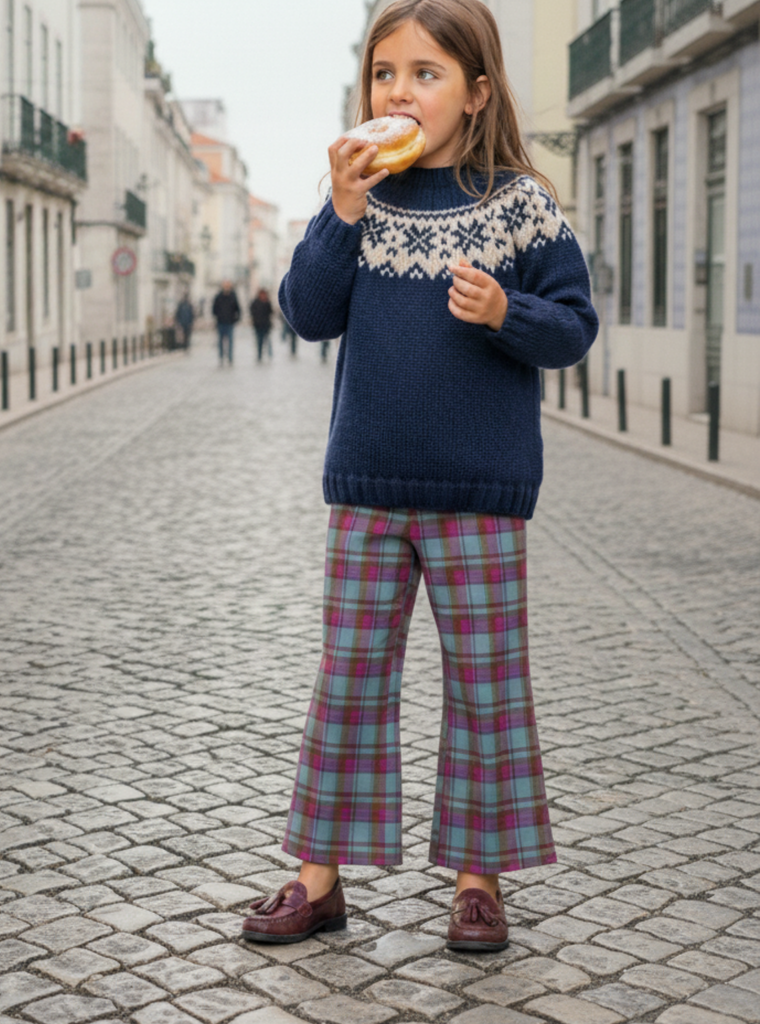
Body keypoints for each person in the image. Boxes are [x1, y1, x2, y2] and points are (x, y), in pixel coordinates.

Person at [240, 0, 598, 953]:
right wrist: (342, 209)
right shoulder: (357, 198)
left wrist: (506, 311)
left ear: (476, 94)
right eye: (384, 72)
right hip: (366, 486)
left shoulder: (519, 200)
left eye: (426, 73)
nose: (400, 91)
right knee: (348, 681)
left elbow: (572, 327)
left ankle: (478, 882)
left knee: (486, 685)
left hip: (480, 494)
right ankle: (319, 879)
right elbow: (307, 315)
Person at [212, 281, 240, 365]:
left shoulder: (233, 296)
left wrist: (236, 319)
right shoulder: (218, 297)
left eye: (228, 286)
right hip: (221, 322)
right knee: (220, 341)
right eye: (225, 286)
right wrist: (218, 316)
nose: (227, 288)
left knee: (230, 341)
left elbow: (237, 308)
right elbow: (214, 309)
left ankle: (230, 358)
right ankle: (221, 357)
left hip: (230, 322)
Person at [250, 289, 274, 361]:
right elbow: (252, 311)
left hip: (266, 325)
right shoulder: (255, 302)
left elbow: (271, 312)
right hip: (258, 325)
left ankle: (270, 355)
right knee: (259, 341)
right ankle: (259, 355)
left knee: (268, 341)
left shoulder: (267, 302)